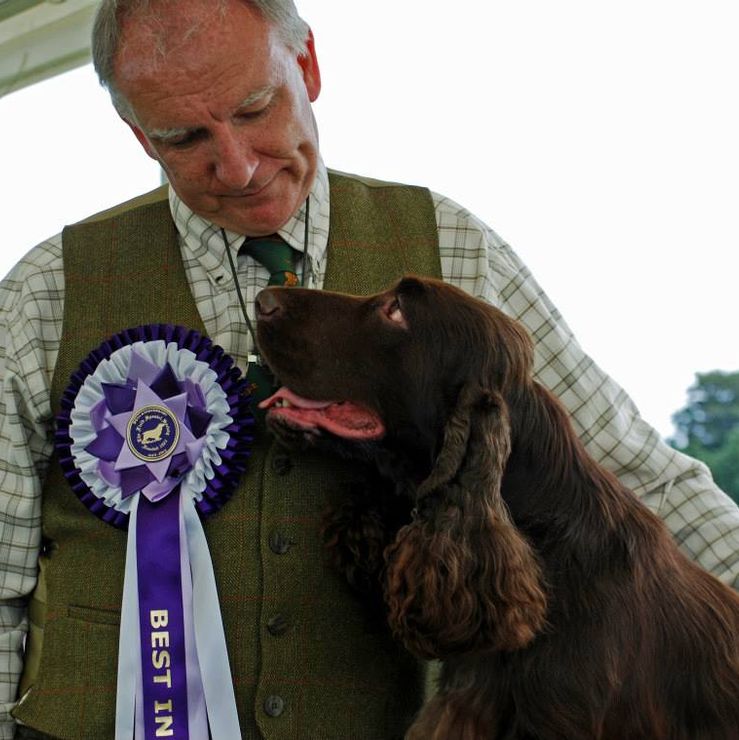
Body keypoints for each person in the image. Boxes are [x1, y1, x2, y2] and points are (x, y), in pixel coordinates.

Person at [1, 0, 737, 738]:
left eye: (255, 109)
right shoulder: (44, 293)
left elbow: (635, 476)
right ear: (138, 135)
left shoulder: (454, 248)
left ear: (308, 67)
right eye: (185, 137)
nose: (239, 163)